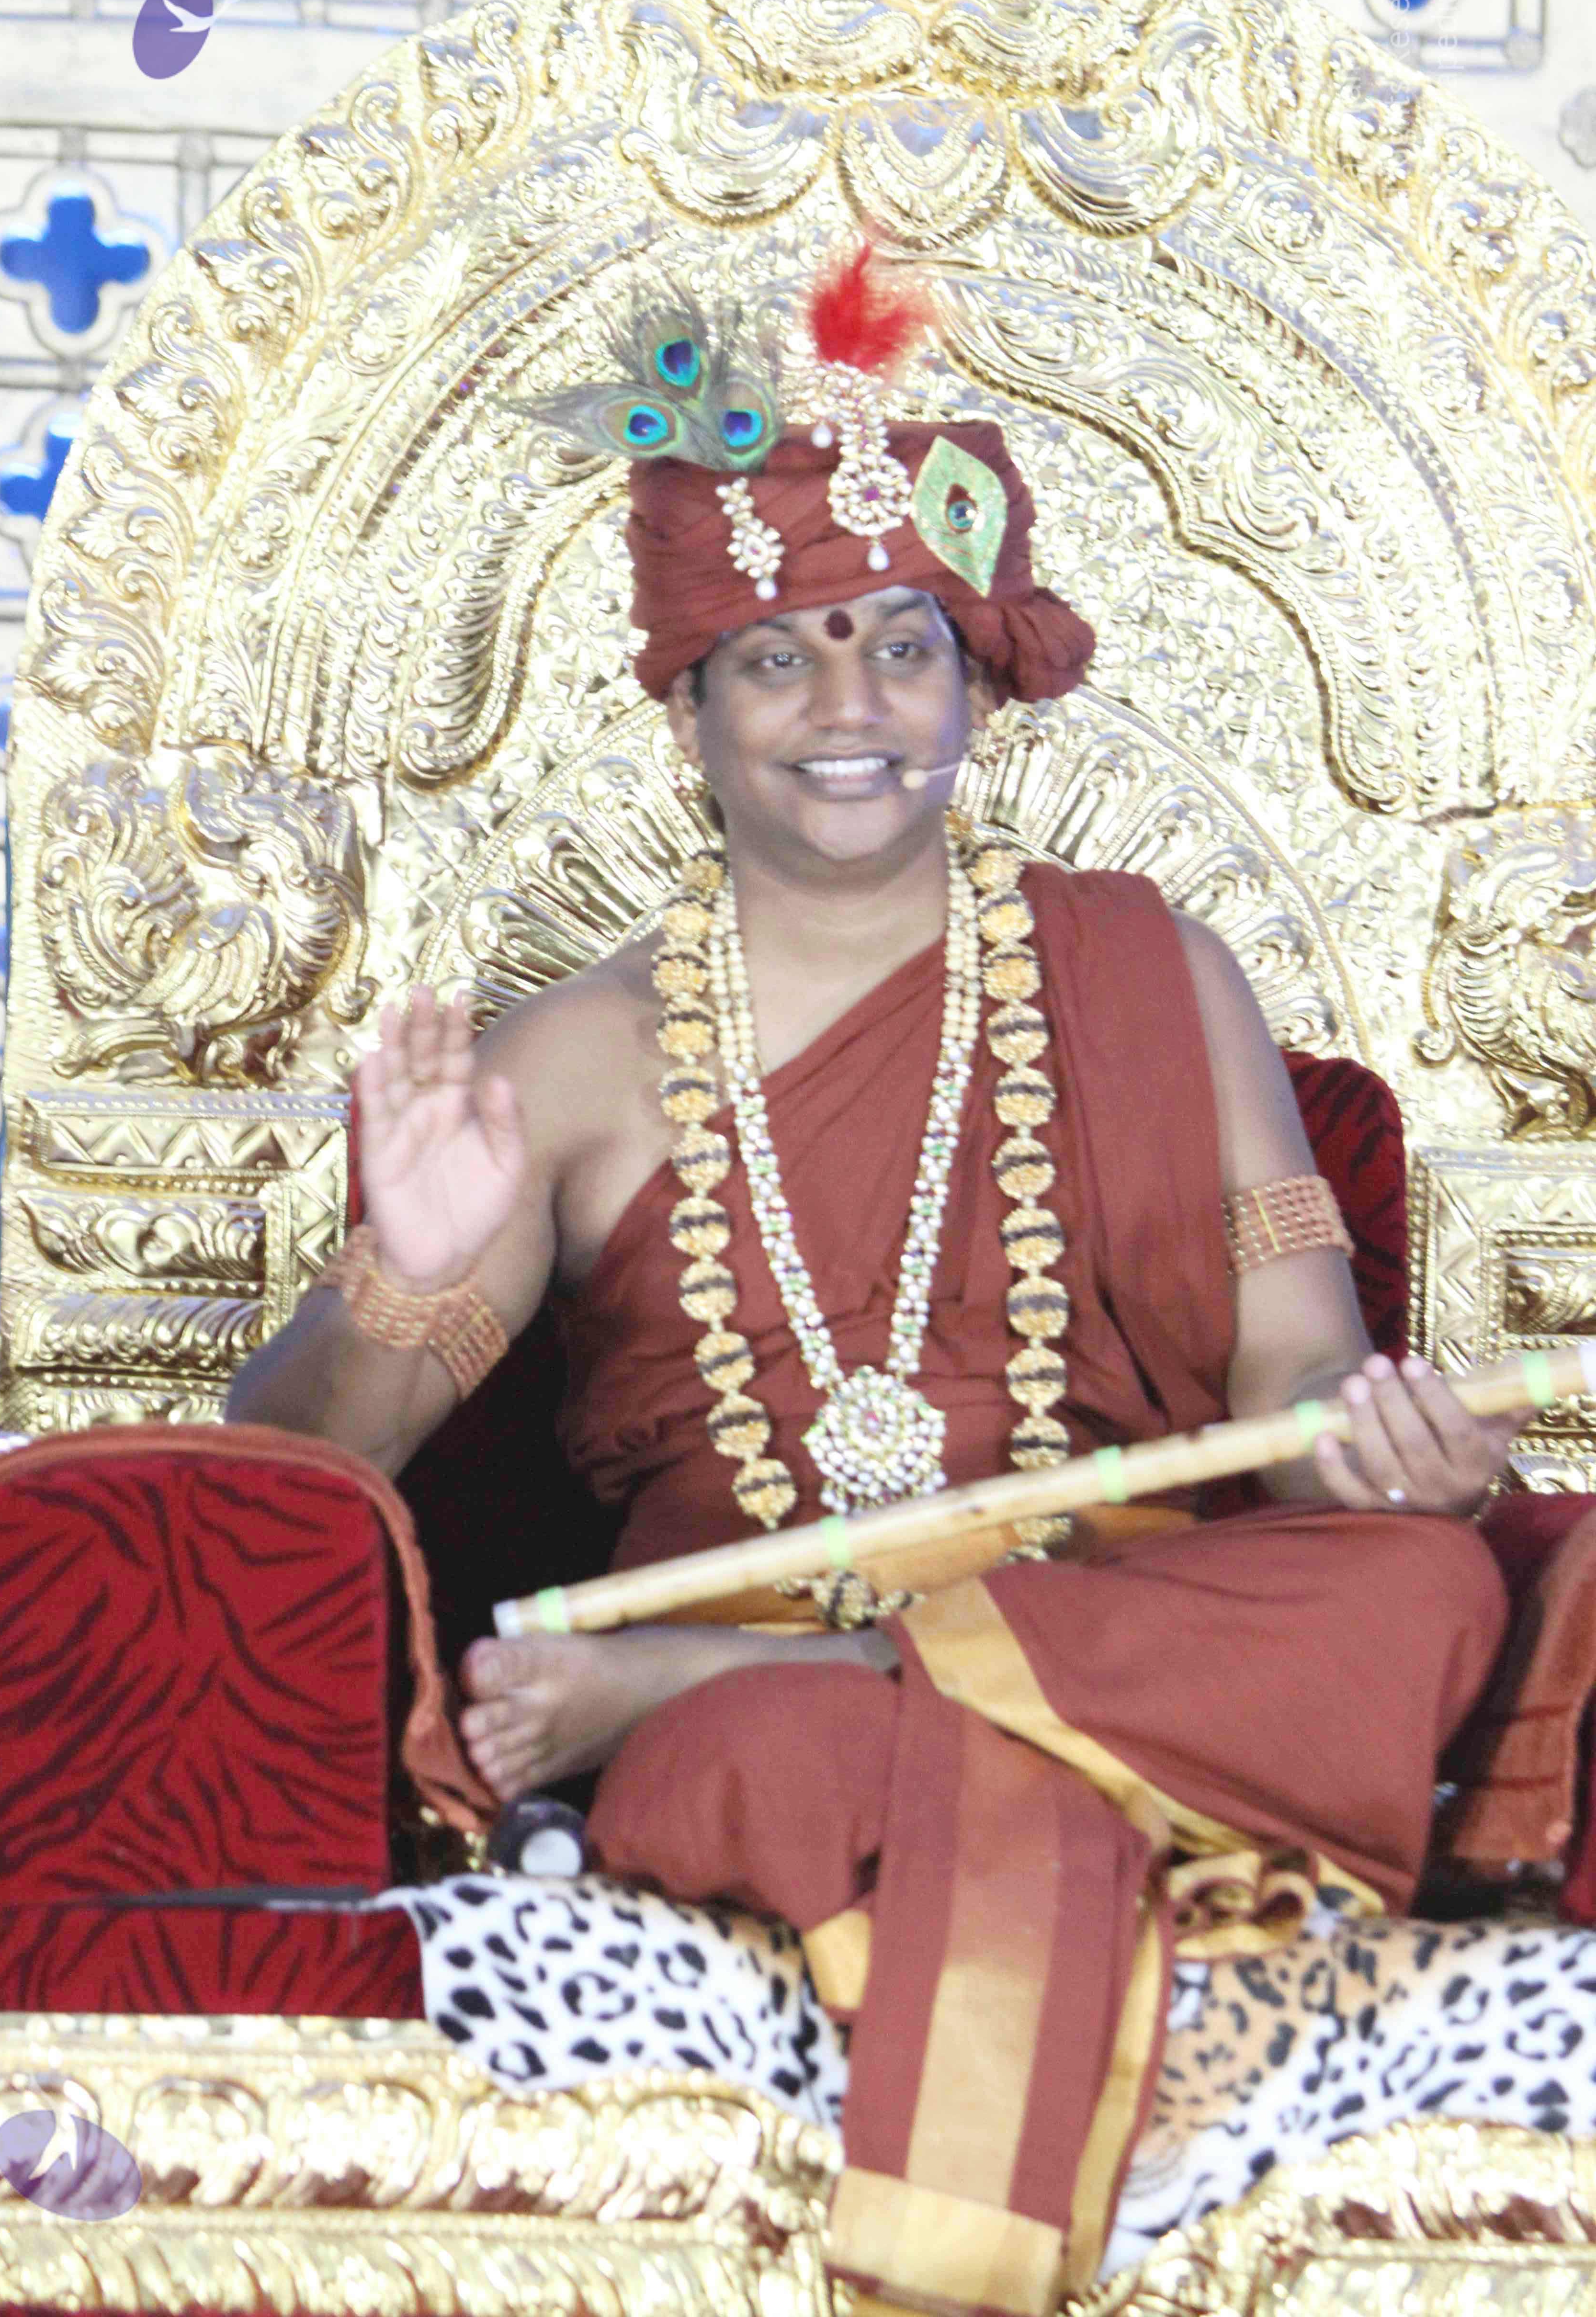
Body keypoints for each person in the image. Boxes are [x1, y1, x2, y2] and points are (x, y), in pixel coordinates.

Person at [227, 258, 1524, 2317]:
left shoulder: (1152, 969)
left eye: (902, 648)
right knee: (771, 1764)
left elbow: (1299, 1383)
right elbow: (297, 1476)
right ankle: (811, 1720)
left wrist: (1383, 1460)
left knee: (1429, 1594)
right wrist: (406, 1269)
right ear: (688, 715)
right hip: (749, 1663)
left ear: (975, 690)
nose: (851, 713)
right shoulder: (579, 1057)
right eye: (777, 660)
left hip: (1108, 1607)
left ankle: (773, 1696)